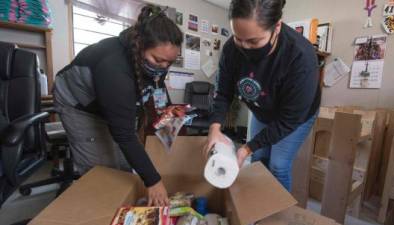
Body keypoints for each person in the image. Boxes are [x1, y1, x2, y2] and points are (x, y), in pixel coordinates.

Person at [53, 5, 183, 206]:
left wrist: (166, 112)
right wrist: (153, 180)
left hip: (111, 100)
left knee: (123, 164)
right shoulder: (114, 67)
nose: (164, 67)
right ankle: (101, 208)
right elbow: (123, 134)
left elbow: (156, 88)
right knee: (102, 171)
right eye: (159, 60)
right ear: (140, 45)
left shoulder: (157, 61)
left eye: (170, 62)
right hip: (78, 103)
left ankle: (121, 206)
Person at [204, 0, 321, 191]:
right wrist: (214, 128)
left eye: (253, 41)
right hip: (262, 109)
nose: (243, 47)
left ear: (277, 26)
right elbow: (223, 92)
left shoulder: (300, 56)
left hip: (294, 117)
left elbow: (288, 121)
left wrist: (247, 148)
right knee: (258, 159)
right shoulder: (231, 50)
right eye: (238, 38)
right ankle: (259, 203)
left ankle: (277, 216)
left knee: (278, 165)